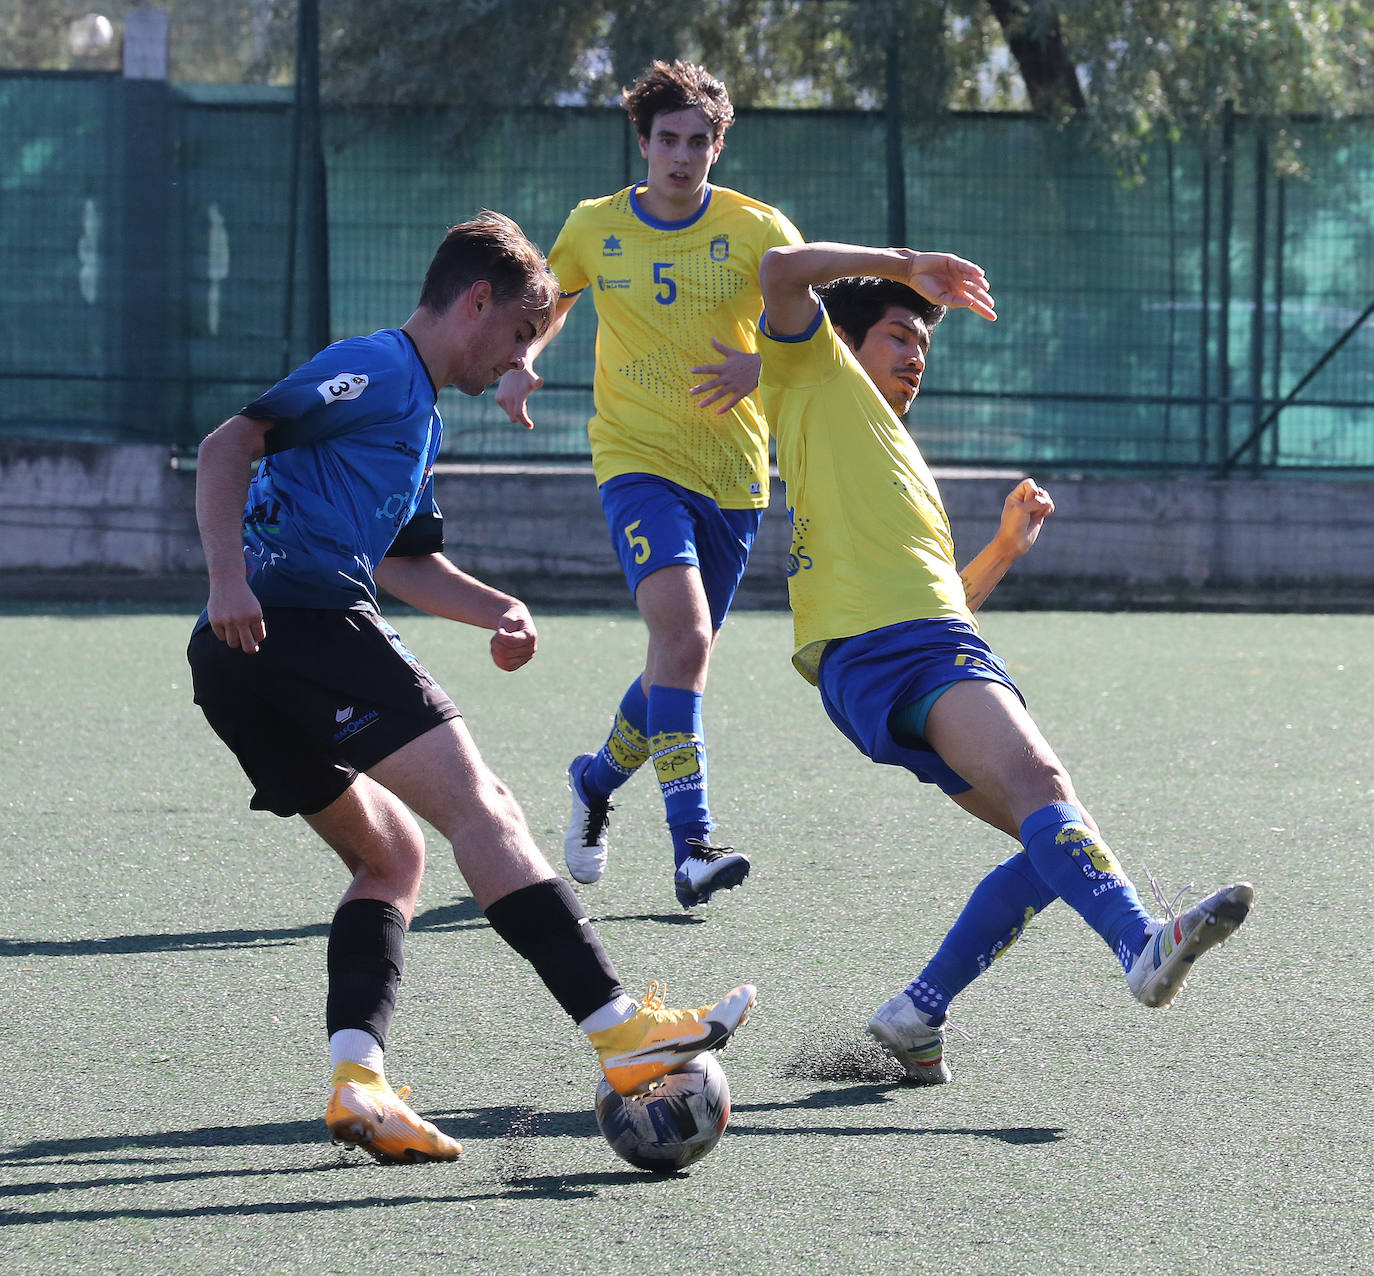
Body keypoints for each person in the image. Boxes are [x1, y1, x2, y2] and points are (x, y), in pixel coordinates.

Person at [186, 210, 755, 1165]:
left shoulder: (419, 417)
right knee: (484, 807)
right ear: (476, 302)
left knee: (392, 858)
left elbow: (407, 564)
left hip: (241, 661)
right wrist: (228, 577)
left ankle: (358, 1081)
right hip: (300, 624)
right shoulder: (377, 368)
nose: (518, 362)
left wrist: (496, 609)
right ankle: (619, 1026)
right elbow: (226, 445)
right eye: (521, 337)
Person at [755, 238, 1253, 1083]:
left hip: (891, 653)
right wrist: (906, 264)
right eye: (899, 336)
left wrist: (1000, 554)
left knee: (1055, 838)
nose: (916, 354)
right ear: (845, 337)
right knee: (1048, 791)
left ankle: (918, 1012)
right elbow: (777, 269)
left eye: (923, 344)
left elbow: (937, 598)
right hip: (900, 650)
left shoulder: (890, 448)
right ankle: (1139, 945)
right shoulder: (818, 374)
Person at [495, 59, 803, 909]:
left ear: (716, 147)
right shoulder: (597, 225)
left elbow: (809, 326)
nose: (681, 155)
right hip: (634, 460)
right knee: (687, 639)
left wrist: (759, 361)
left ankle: (595, 781)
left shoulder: (757, 229)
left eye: (698, 141)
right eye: (667, 139)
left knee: (679, 652)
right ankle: (692, 844)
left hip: (736, 476)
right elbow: (550, 298)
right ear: (643, 141)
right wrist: (523, 360)